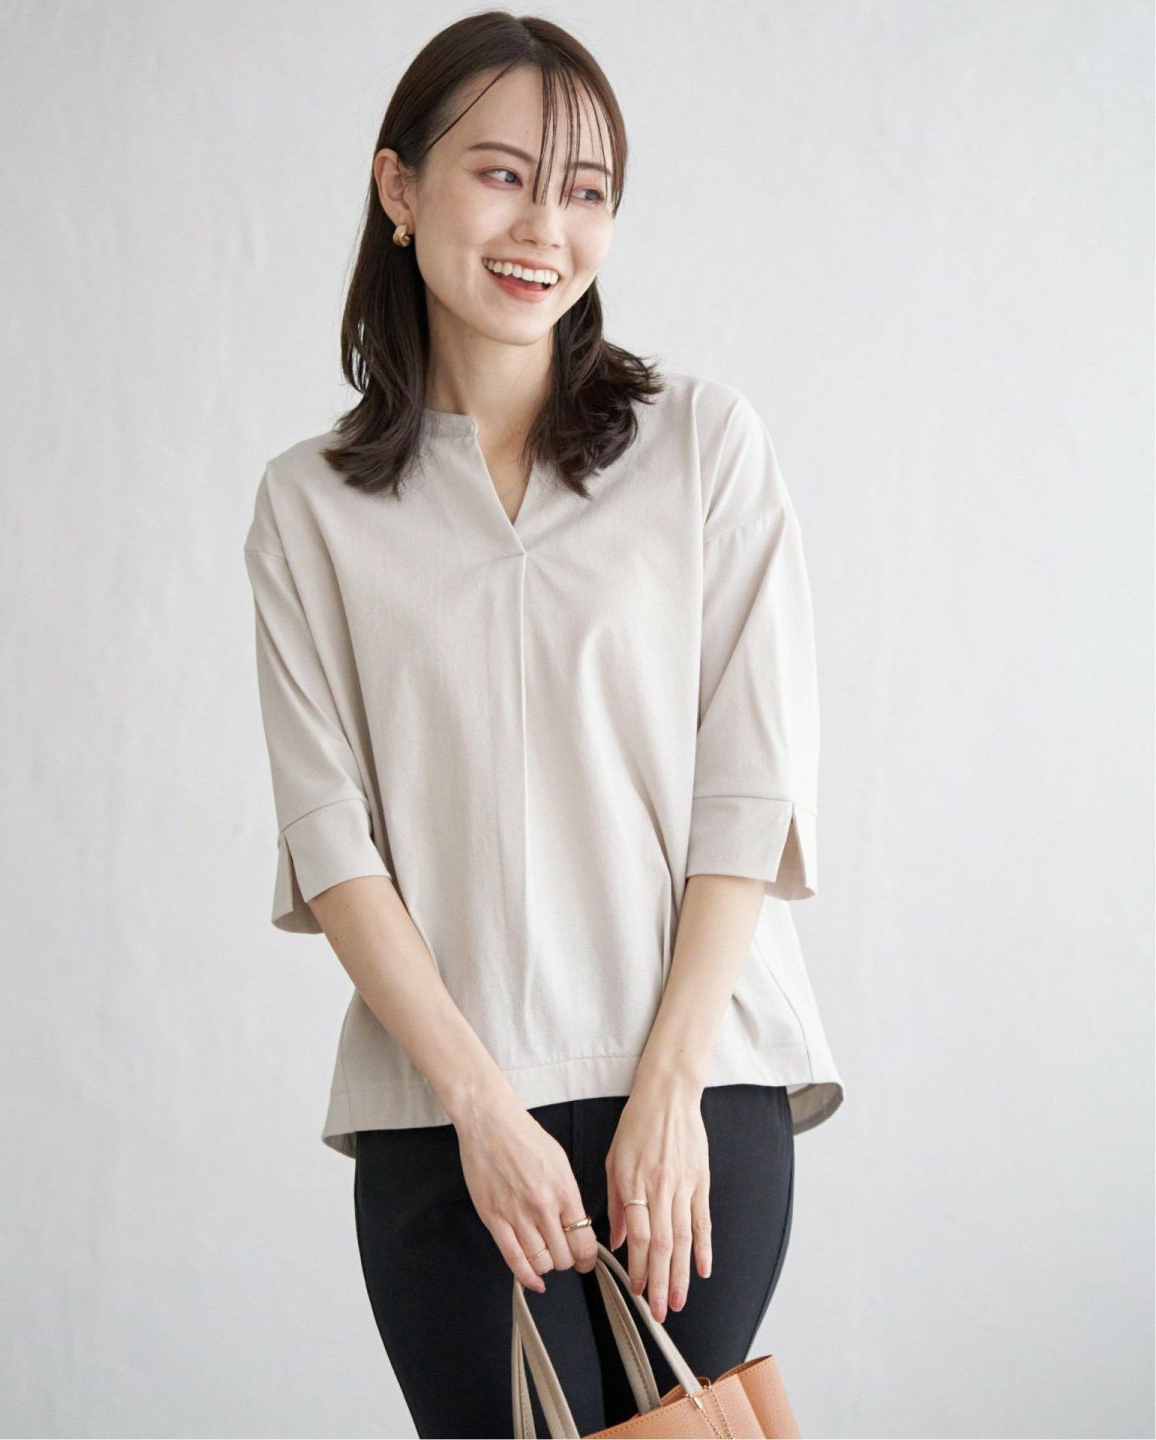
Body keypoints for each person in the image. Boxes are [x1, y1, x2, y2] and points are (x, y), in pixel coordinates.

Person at [243, 11, 845, 1437]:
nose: (544, 228)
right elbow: (333, 841)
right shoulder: (310, 507)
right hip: (445, 1110)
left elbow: (749, 789)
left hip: (694, 1091)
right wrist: (479, 1105)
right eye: (502, 174)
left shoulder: (702, 445)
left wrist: (671, 1088)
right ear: (400, 188)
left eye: (584, 191)